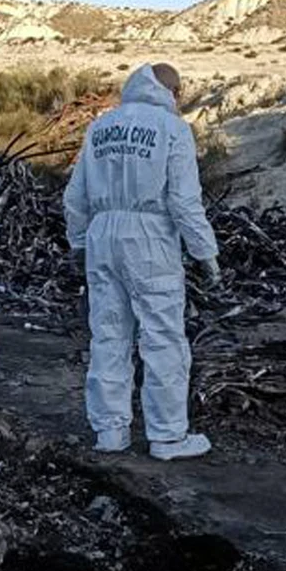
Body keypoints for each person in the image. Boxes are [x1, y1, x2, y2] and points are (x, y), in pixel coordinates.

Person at [63, 62, 220, 460]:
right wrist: (205, 252)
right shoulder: (172, 129)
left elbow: (74, 196)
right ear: (173, 92)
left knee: (108, 335)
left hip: (102, 234)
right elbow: (183, 201)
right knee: (163, 337)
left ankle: (110, 432)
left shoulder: (101, 127)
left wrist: (79, 243)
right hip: (150, 238)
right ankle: (167, 436)